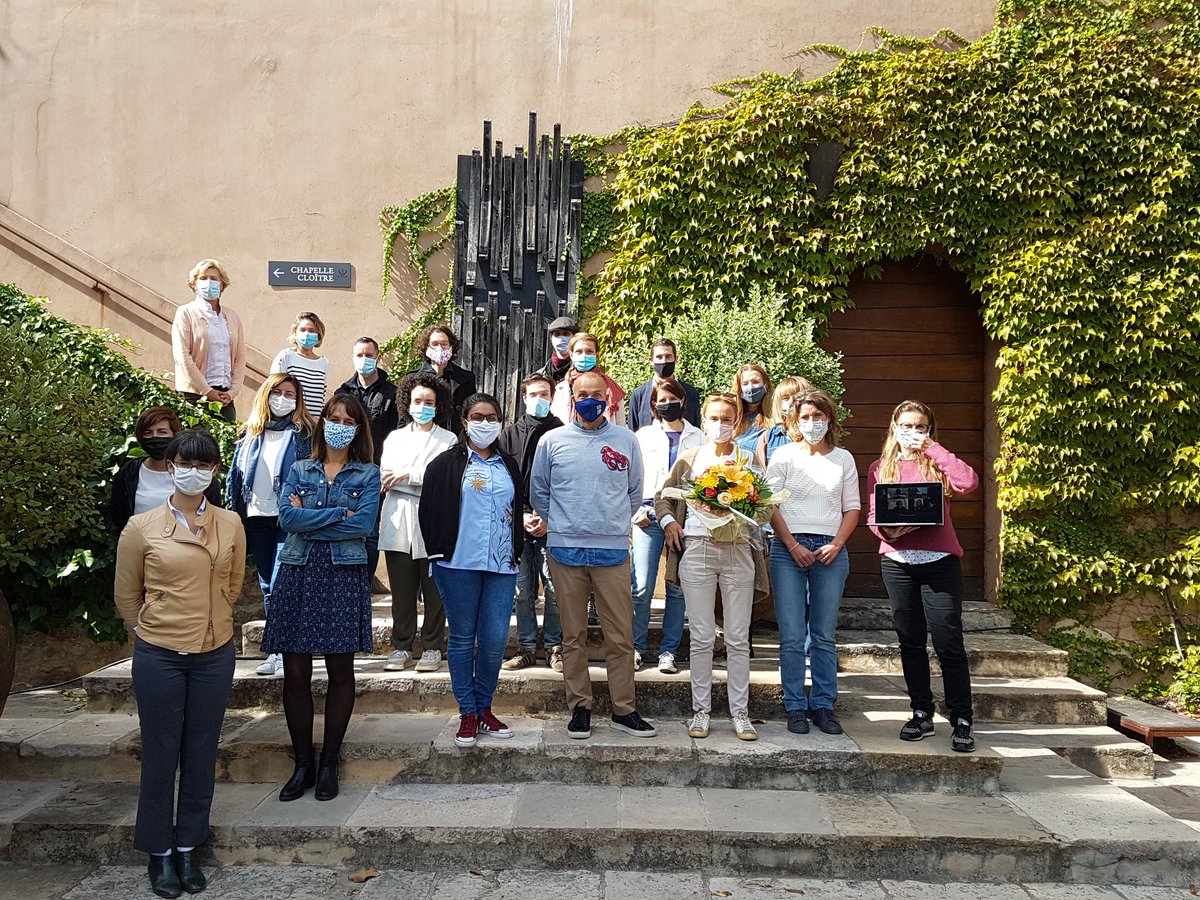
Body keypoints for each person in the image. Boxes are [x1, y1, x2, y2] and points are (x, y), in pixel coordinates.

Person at [114, 430, 245, 899]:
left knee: (201, 750)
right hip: (160, 654)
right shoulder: (141, 527)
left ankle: (189, 844)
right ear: (170, 468)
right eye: (187, 463)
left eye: (205, 466)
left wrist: (214, 618)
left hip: (214, 652)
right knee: (160, 752)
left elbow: (232, 583)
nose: (196, 472)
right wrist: (154, 628)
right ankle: (158, 852)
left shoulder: (229, 523)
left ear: (214, 472)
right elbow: (127, 595)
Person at [261, 394, 380, 803]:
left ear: (359, 427)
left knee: (339, 671)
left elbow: (363, 525)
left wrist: (311, 521)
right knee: (294, 674)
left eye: (348, 419)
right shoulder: (299, 468)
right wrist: (336, 518)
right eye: (333, 417)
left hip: (342, 575)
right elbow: (285, 519)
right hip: (297, 572)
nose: (340, 424)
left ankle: (329, 762)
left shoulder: (367, 474)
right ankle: (302, 763)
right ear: (323, 422)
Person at [531, 369, 655, 740]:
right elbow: (540, 491)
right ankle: (580, 708)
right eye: (582, 393)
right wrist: (565, 526)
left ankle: (624, 709)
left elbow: (634, 492)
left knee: (620, 637)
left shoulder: (625, 440)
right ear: (572, 397)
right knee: (573, 636)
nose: (590, 399)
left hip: (613, 550)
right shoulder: (551, 441)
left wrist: (611, 524)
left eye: (597, 393)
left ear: (609, 398)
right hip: (565, 550)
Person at [868, 400, 980, 753]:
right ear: (893, 427)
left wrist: (933, 449)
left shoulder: (938, 463)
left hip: (940, 560)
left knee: (948, 640)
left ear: (930, 429)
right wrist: (891, 534)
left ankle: (962, 718)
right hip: (898, 561)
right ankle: (921, 711)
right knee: (910, 640)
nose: (913, 432)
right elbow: (874, 514)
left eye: (921, 427)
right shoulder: (879, 467)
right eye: (906, 425)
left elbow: (969, 482)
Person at [419, 393, 524, 748]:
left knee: (494, 640)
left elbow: (517, 511)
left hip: (501, 565)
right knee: (463, 638)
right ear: (464, 423)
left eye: (491, 417)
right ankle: (467, 712)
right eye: (477, 416)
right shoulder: (445, 464)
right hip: (457, 563)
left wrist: (518, 549)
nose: (485, 423)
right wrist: (437, 552)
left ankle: (485, 708)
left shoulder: (509, 464)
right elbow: (428, 511)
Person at [656, 392, 758, 740]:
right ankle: (701, 712)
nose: (720, 424)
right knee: (700, 637)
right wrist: (670, 522)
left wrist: (740, 517)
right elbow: (664, 496)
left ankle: (740, 713)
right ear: (704, 421)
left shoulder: (747, 459)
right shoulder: (690, 458)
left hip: (737, 549)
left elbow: (764, 505)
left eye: (727, 419)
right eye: (713, 418)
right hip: (697, 548)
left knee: (738, 637)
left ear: (737, 422)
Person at [767, 389, 860, 736]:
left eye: (817, 416)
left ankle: (823, 704)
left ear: (829, 419)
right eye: (804, 417)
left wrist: (837, 543)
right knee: (791, 635)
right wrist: (791, 545)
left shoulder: (844, 459)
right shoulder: (784, 455)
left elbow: (852, 507)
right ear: (794, 421)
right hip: (788, 549)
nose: (811, 423)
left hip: (830, 550)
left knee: (822, 634)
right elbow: (770, 504)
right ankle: (794, 706)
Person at [225, 374, 315, 679]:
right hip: (256, 516)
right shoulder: (249, 435)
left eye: (290, 393)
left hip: (288, 518)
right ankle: (278, 649)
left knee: (281, 581)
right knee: (267, 585)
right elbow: (235, 480)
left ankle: (282, 648)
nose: (282, 398)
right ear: (266, 395)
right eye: (277, 392)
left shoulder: (304, 435)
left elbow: (312, 476)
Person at [379, 371, 456, 673]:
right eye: (417, 401)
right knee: (402, 590)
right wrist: (419, 478)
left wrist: (410, 475)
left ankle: (432, 646)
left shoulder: (447, 439)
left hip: (433, 520)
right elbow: (387, 477)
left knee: (434, 590)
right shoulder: (395, 438)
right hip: (398, 519)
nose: (422, 406)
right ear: (407, 403)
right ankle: (401, 646)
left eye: (429, 401)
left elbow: (446, 479)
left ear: (438, 406)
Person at [632, 377, 703, 672]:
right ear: (653, 404)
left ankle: (668, 651)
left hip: (684, 516)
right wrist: (633, 510)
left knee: (677, 587)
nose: (667, 405)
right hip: (647, 513)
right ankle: (634, 647)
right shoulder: (642, 436)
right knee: (642, 585)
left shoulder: (699, 437)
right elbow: (630, 476)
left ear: (683, 402)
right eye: (662, 400)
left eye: (673, 399)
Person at [497, 374, 565, 671]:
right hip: (517, 523)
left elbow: (569, 483)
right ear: (524, 398)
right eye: (534, 394)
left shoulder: (563, 432)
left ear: (552, 397)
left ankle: (554, 647)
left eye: (545, 394)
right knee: (522, 590)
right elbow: (500, 482)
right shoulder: (508, 436)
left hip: (554, 524)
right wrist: (520, 514)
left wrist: (548, 518)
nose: (540, 399)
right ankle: (525, 647)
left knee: (554, 587)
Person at [336, 336, 400, 580]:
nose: (364, 360)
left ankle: (364, 583)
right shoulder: (342, 392)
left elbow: (397, 436)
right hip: (344, 471)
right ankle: (344, 582)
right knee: (343, 527)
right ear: (353, 358)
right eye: (360, 355)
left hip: (375, 473)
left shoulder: (392, 394)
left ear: (378, 357)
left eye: (369, 355)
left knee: (371, 532)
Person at [110, 406, 223, 533]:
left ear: (174, 435)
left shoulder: (197, 474)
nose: (155, 437)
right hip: (141, 545)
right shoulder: (130, 472)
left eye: (162, 432)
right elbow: (118, 513)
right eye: (148, 433)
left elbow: (213, 515)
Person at [172, 258, 245, 423]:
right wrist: (207, 391)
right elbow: (183, 357)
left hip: (225, 397)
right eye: (203, 278)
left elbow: (240, 359)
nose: (208, 282)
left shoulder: (232, 316)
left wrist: (233, 392)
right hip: (194, 397)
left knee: (225, 446)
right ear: (194, 284)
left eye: (214, 279)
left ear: (222, 284)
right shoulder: (185, 313)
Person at [548, 331, 627, 427]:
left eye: (589, 352)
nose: (584, 356)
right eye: (579, 352)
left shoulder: (611, 388)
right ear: (572, 355)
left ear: (596, 355)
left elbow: (620, 427)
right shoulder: (562, 389)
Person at [627, 338, 703, 430]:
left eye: (668, 356)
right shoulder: (639, 395)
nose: (664, 361)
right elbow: (632, 432)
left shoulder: (691, 393)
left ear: (676, 359)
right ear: (651, 361)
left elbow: (696, 429)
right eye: (659, 357)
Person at [412, 324, 476, 428]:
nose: (440, 348)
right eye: (435, 344)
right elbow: (404, 418)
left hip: (455, 438)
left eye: (444, 344)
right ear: (426, 347)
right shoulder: (413, 379)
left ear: (451, 346)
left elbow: (471, 412)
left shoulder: (467, 378)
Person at [270, 312, 330, 417]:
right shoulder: (286, 356)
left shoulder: (323, 363)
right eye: (302, 330)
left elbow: (321, 396)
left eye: (311, 331)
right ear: (295, 332)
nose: (306, 334)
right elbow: (273, 389)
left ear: (318, 335)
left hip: (314, 423)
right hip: (291, 422)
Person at [750, 375, 815, 469]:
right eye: (785, 398)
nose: (791, 402)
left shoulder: (817, 434)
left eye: (797, 397)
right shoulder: (768, 437)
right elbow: (762, 475)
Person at [732, 363, 774, 455]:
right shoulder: (732, 417)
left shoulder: (775, 416)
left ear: (765, 385)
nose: (750, 387)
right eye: (745, 384)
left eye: (755, 382)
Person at [534, 315, 578, 386]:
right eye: (557, 334)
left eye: (566, 334)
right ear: (551, 338)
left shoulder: (582, 374)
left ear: (574, 337)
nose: (561, 338)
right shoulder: (540, 376)